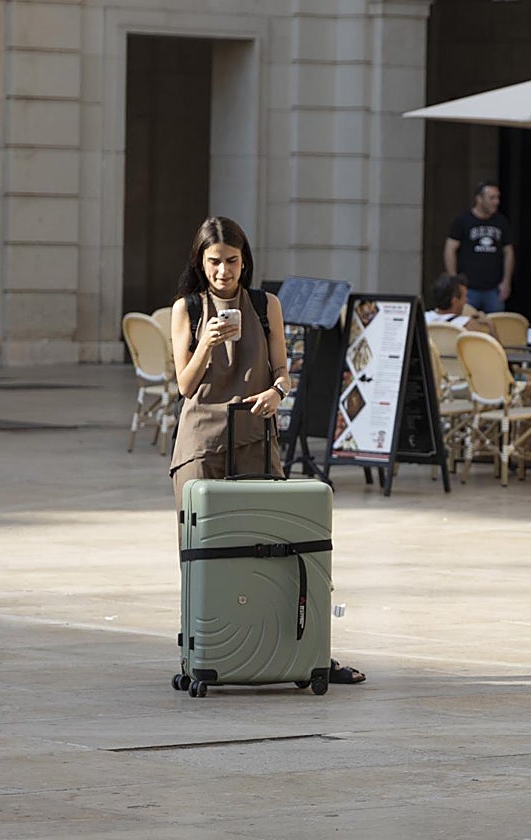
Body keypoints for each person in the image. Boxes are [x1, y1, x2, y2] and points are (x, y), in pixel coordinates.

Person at [168, 216, 365, 686]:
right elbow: (184, 384)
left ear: (245, 261)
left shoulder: (265, 304)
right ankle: (210, 651)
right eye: (214, 262)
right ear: (200, 262)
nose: (223, 272)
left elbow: (283, 370)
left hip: (256, 436)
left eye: (232, 261)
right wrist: (207, 343)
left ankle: (292, 651)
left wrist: (278, 391)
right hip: (202, 442)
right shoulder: (188, 308)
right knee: (202, 555)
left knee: (273, 546)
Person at [443, 181, 515, 314]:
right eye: (492, 198)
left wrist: (506, 281)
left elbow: (508, 252)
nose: (496, 202)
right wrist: (454, 280)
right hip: (468, 289)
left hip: (494, 289)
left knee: (496, 327)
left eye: (498, 197)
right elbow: (450, 249)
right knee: (466, 325)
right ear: (479, 198)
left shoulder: (501, 222)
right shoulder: (462, 221)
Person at [425, 273, 496, 337]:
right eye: (464, 297)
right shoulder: (469, 325)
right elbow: (493, 350)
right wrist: (490, 324)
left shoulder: (423, 319)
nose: (466, 300)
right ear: (454, 301)